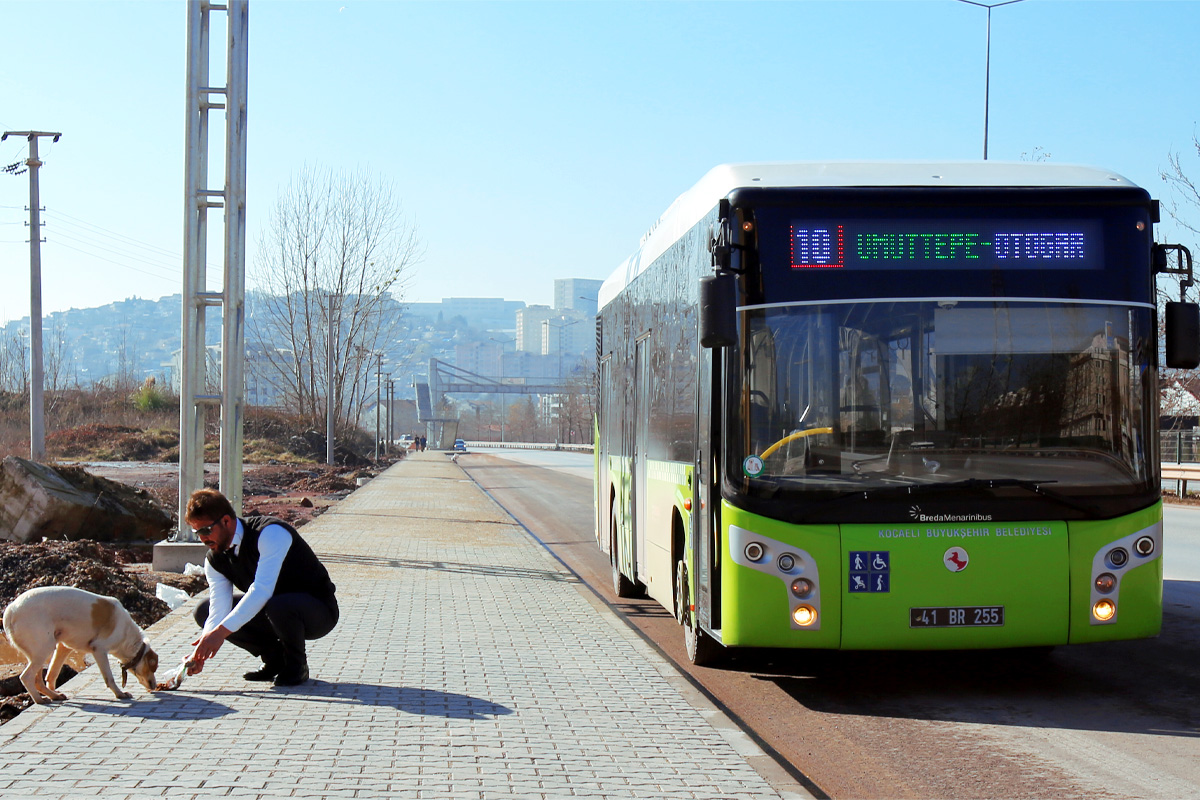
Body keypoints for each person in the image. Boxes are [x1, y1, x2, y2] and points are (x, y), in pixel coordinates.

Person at [184, 488, 339, 687]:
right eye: (197, 532)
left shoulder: (270, 533)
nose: (202, 539)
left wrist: (220, 634)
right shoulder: (215, 559)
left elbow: (261, 590)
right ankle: (275, 660)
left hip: (317, 611)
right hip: (272, 610)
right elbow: (218, 608)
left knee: (278, 604)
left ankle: (296, 666)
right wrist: (204, 645)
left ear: (225, 521)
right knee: (203, 611)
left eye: (205, 530)